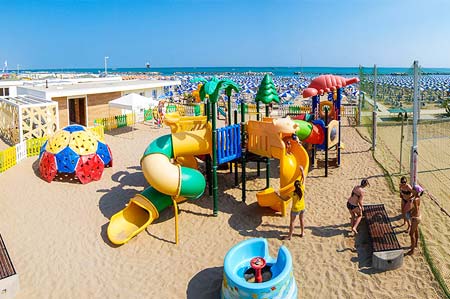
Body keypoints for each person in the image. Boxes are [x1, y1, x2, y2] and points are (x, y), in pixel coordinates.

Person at [282, 166, 306, 240]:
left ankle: (290, 236)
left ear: (295, 187)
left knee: (292, 222)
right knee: (301, 220)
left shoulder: (293, 193)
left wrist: (277, 195)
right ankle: (302, 233)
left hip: (295, 209)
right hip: (302, 207)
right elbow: (304, 178)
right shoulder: (302, 188)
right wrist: (302, 171)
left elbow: (285, 199)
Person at [407, 185, 423, 255]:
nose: (411, 190)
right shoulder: (418, 198)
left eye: (412, 190)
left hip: (415, 218)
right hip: (419, 216)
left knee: (411, 234)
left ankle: (412, 250)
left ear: (415, 191)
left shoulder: (415, 200)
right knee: (416, 230)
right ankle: (415, 244)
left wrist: (411, 214)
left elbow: (416, 209)